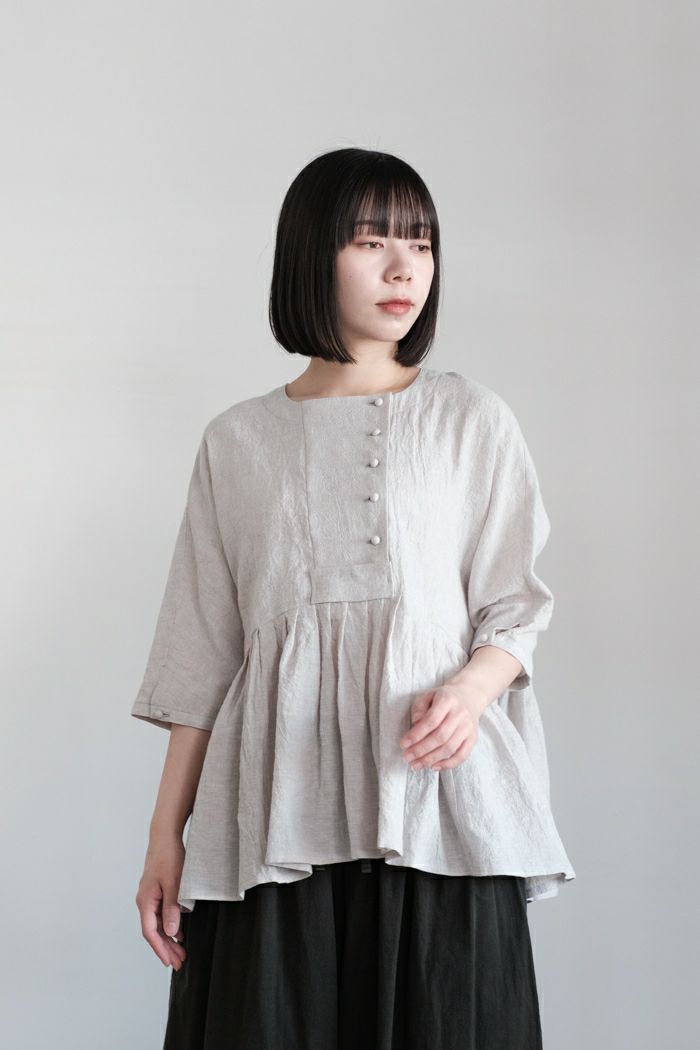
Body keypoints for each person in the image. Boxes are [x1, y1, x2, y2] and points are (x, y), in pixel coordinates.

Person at [132, 147, 576, 1050]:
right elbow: (201, 655)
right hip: (274, 819)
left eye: (421, 243)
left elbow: (515, 605)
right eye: (372, 241)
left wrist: (470, 693)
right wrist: (165, 838)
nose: (404, 267)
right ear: (312, 255)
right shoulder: (237, 442)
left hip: (437, 808)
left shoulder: (471, 420)